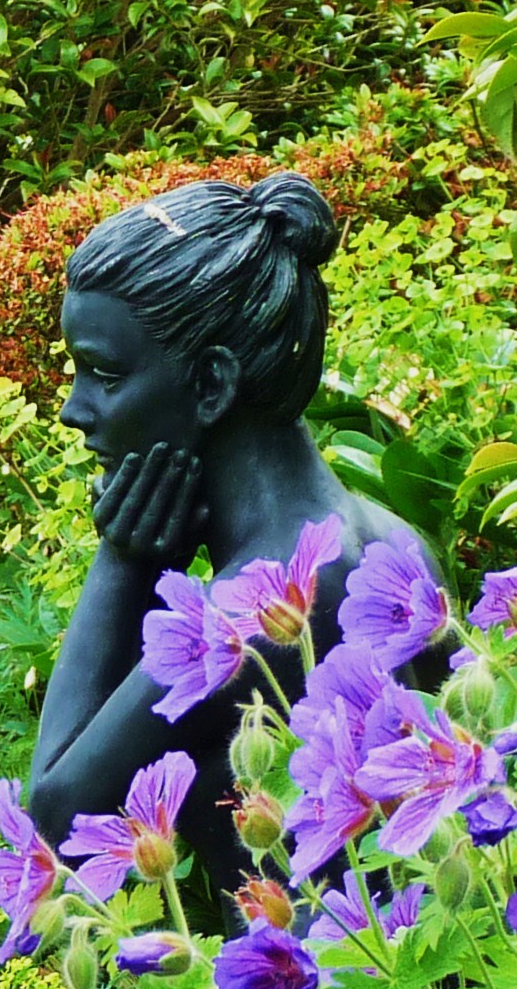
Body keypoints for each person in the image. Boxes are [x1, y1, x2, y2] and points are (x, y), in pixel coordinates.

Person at [24, 170, 444, 906]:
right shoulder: (386, 538)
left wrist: (120, 565)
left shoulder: (256, 613)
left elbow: (57, 826)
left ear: (211, 385)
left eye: (103, 372)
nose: (73, 409)